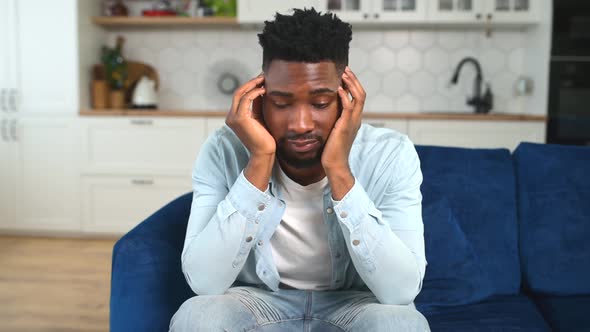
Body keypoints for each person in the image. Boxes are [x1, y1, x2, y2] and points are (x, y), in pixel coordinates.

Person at [170, 8, 429, 332]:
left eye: (320, 103)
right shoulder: (223, 149)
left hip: (355, 304)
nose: (301, 124)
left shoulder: (391, 154)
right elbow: (205, 283)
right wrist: (259, 160)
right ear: (260, 95)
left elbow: (400, 292)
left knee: (400, 323)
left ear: (347, 98)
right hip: (257, 300)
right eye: (281, 103)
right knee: (198, 316)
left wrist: (339, 171)